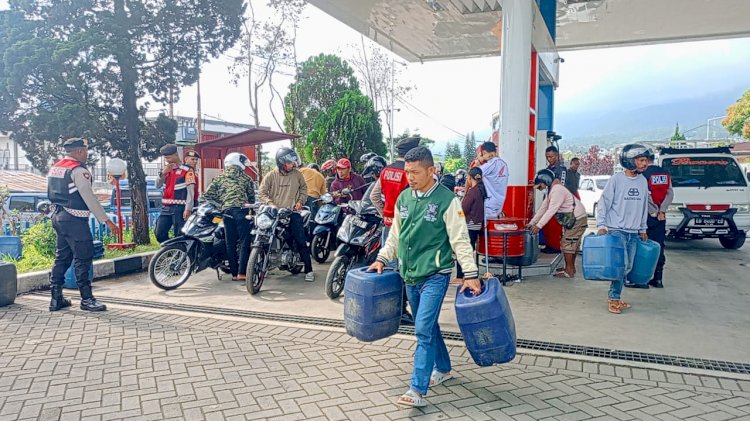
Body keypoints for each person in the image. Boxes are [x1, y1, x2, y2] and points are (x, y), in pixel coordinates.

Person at [368, 146, 481, 408]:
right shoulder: (404, 198)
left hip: (435, 275)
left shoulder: (447, 200)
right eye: (407, 172)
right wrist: (382, 258)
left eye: (416, 172)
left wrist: (471, 274)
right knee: (428, 325)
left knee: (422, 329)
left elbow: (460, 240)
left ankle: (417, 389)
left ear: (432, 170)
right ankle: (443, 368)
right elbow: (395, 235)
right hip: (409, 275)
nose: (410, 177)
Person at [47, 138, 119, 312]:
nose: (87, 154)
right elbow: (89, 198)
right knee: (83, 258)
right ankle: (87, 299)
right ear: (79, 151)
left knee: (62, 257)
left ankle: (56, 298)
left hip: (58, 216)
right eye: (86, 151)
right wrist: (106, 220)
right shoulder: (78, 170)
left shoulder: (56, 167)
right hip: (74, 218)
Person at [369, 135, 421, 325]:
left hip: (388, 226)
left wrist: (386, 214)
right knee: (407, 271)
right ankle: (404, 311)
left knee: (388, 268)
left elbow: (375, 196)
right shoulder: (411, 173)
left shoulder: (386, 170)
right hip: (407, 228)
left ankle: (388, 309)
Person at [596, 144, 650, 314]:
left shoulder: (642, 181)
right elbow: (604, 203)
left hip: (633, 232)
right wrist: (601, 225)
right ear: (630, 161)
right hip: (616, 230)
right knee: (622, 265)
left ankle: (616, 296)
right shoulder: (616, 180)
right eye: (641, 160)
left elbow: (643, 207)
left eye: (646, 161)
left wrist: (643, 228)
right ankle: (613, 298)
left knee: (628, 267)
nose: (645, 164)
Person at [258, 147, 315, 282]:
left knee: (301, 240)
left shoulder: (297, 174)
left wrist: (300, 201)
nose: (293, 165)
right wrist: (270, 203)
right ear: (281, 162)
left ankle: (309, 269)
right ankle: (262, 265)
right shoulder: (271, 175)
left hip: (292, 212)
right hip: (273, 213)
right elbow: (262, 192)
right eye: (290, 163)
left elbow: (304, 189)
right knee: (263, 236)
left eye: (293, 163)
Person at [202, 153, 255, 282]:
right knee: (244, 241)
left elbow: (207, 195)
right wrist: (252, 211)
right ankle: (243, 273)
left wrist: (221, 205)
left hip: (226, 212)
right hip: (242, 212)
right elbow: (252, 198)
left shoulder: (220, 178)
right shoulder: (246, 178)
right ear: (238, 162)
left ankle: (234, 274)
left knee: (229, 243)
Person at [527, 169, 588, 278]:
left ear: (545, 182)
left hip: (577, 219)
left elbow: (551, 210)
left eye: (540, 186)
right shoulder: (552, 191)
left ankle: (568, 271)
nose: (540, 189)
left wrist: (538, 226)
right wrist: (532, 223)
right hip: (575, 219)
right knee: (572, 244)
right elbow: (543, 208)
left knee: (567, 244)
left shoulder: (557, 190)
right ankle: (570, 268)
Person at [626, 149, 673, 289]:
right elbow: (670, 194)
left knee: (641, 246)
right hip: (661, 217)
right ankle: (658, 279)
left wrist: (653, 211)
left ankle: (642, 279)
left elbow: (645, 196)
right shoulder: (665, 173)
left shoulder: (643, 175)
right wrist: (661, 210)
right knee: (658, 246)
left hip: (645, 215)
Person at [155, 144, 195, 243]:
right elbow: (157, 185)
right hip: (166, 207)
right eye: (165, 158)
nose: (167, 160)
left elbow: (191, 192)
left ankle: (180, 253)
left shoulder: (187, 170)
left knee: (179, 235)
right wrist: (163, 173)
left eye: (168, 157)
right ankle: (171, 251)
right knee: (159, 233)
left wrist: (188, 209)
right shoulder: (166, 169)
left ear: (176, 155)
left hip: (179, 208)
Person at [455, 167, 486, 283]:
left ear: (469, 178)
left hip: (468, 224)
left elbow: (463, 209)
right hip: (477, 224)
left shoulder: (473, 192)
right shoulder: (481, 190)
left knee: (462, 250)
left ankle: (460, 276)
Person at [478, 141, 509, 218]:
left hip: (489, 203)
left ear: (484, 152)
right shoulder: (503, 164)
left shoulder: (491, 163)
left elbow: (474, 173)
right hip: (500, 203)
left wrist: (479, 161)